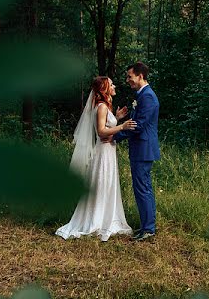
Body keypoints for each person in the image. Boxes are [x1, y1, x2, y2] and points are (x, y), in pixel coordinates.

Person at [55, 76, 137, 242]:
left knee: (106, 183)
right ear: (104, 89)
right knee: (101, 183)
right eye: (111, 84)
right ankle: (97, 220)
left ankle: (106, 217)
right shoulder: (101, 107)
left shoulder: (105, 107)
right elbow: (101, 132)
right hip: (103, 151)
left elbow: (107, 126)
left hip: (109, 150)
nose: (114, 86)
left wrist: (117, 117)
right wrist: (122, 126)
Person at [112, 61, 160, 241]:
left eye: (130, 76)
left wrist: (115, 135)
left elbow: (138, 126)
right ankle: (146, 227)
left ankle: (148, 229)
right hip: (140, 148)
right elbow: (135, 120)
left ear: (140, 76)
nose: (128, 80)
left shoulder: (147, 97)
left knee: (143, 188)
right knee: (142, 187)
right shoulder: (141, 95)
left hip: (143, 148)